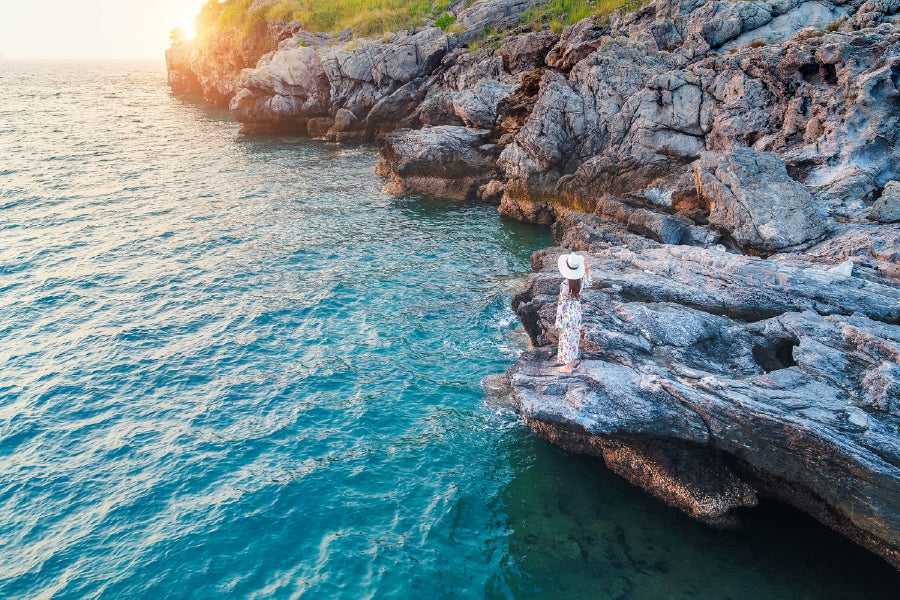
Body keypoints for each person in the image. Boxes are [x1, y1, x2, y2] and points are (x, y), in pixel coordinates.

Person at [554, 251, 592, 373]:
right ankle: (571, 364)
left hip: (567, 314)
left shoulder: (565, 284)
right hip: (577, 313)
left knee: (566, 340)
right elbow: (589, 280)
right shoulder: (580, 281)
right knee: (574, 339)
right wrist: (586, 269)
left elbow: (561, 304)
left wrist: (558, 322)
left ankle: (568, 367)